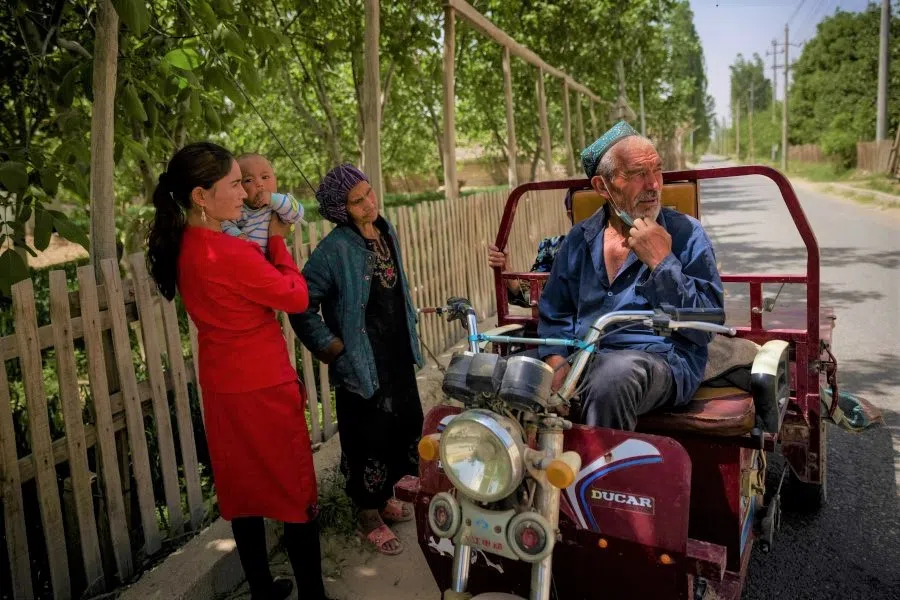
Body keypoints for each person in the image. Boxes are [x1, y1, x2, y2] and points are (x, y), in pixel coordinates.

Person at [146, 142, 328, 600]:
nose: (244, 194)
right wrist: (278, 240)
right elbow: (296, 296)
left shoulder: (187, 246)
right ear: (201, 197)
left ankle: (263, 590)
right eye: (233, 184)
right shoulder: (230, 254)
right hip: (261, 383)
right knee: (293, 489)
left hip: (222, 382)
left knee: (243, 490)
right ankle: (313, 595)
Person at [538, 121, 724, 430]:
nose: (653, 185)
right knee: (499, 373)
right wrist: (555, 360)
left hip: (662, 360)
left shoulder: (686, 234)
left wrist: (662, 262)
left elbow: (704, 327)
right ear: (602, 187)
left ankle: (605, 478)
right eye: (638, 174)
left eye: (657, 171)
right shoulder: (578, 240)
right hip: (584, 359)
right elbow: (556, 313)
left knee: (613, 376)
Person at [289, 164, 424, 556]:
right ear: (341, 209)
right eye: (357, 200)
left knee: (402, 424)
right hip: (361, 360)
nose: (369, 203)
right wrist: (331, 347)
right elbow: (301, 304)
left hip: (395, 352)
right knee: (368, 437)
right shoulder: (333, 250)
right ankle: (367, 514)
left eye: (369, 193)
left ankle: (383, 500)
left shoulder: (384, 228)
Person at [486, 188, 578, 308]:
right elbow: (528, 294)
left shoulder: (609, 248)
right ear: (570, 215)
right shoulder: (551, 248)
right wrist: (505, 268)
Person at [221, 153, 305, 254]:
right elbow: (226, 225)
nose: (259, 184)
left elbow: (297, 213)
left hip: (275, 257)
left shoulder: (278, 204)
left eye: (265, 177)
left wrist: (272, 199)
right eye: (248, 180)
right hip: (250, 258)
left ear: (275, 180)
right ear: (239, 187)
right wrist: (238, 235)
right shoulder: (240, 209)